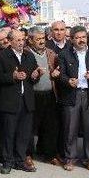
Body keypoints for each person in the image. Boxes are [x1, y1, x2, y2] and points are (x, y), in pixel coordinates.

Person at [0, 30, 41, 174]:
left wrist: (35, 76)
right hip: (10, 101)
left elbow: (33, 77)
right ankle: (7, 162)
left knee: (23, 134)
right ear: (10, 41)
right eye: (17, 40)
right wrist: (12, 77)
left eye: (22, 40)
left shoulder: (28, 55)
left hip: (26, 101)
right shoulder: (2, 56)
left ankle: (20, 160)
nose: (21, 42)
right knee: (9, 133)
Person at [57, 26, 89, 171]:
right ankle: (70, 158)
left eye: (83, 37)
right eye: (77, 38)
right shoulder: (64, 54)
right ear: (72, 39)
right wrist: (68, 81)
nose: (81, 40)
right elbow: (61, 75)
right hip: (71, 94)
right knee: (70, 128)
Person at [25, 26, 60, 164]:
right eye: (38, 39)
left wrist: (56, 74)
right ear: (31, 40)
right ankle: (28, 154)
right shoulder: (26, 53)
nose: (41, 41)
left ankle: (49, 154)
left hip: (49, 94)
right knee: (30, 126)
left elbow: (57, 69)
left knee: (50, 125)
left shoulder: (50, 53)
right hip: (33, 94)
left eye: (42, 38)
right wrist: (32, 75)